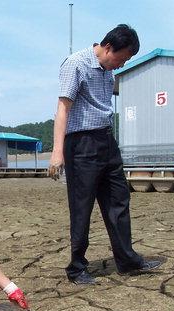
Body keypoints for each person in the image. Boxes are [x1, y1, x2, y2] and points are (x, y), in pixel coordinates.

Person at [48, 24, 162, 285]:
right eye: (121, 59)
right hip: (81, 145)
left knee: (118, 202)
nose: (120, 65)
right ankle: (77, 268)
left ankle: (127, 261)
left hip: (106, 141)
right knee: (82, 208)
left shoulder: (108, 73)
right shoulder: (76, 64)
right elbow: (63, 109)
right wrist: (57, 152)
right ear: (108, 47)